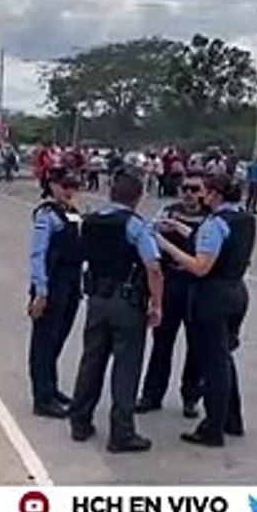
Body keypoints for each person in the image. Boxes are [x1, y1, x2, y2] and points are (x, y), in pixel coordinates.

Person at [155, 174, 256, 448]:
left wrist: (167, 246)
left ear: (215, 195)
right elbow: (209, 241)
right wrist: (178, 226)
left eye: (206, 192)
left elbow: (201, 265)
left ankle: (213, 427)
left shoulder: (215, 223)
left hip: (212, 296)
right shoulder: (243, 219)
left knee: (214, 364)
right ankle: (231, 419)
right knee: (225, 357)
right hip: (236, 291)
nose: (201, 197)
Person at [68, 170, 164, 453]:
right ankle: (121, 432)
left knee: (92, 361)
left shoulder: (91, 221)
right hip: (127, 300)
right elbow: (154, 268)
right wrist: (156, 304)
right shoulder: (135, 225)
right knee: (126, 366)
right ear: (138, 198)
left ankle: (80, 420)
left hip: (97, 298)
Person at [136, 170, 206, 418]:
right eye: (185, 188)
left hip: (197, 285)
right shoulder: (168, 212)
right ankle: (151, 395)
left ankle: (191, 397)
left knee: (196, 345)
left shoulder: (209, 218)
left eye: (195, 189)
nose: (189, 194)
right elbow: (150, 239)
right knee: (161, 342)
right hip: (171, 282)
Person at [26, 168, 84, 419]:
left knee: (59, 338)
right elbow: (38, 254)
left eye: (73, 185)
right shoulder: (47, 216)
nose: (69, 191)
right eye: (65, 185)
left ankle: (51, 387)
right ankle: (42, 397)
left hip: (71, 283)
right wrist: (41, 291)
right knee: (44, 342)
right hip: (52, 283)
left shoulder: (74, 214)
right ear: (52, 186)